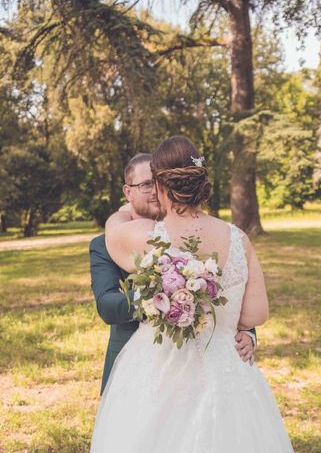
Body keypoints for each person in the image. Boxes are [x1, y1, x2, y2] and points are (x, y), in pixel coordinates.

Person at [90, 137, 294, 452]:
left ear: (159, 185)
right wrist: (237, 330)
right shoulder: (238, 239)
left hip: (159, 370)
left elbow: (111, 231)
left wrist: (121, 211)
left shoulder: (142, 236)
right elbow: (255, 315)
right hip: (226, 369)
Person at [89, 153, 257, 395]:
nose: (155, 190)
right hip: (134, 369)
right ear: (128, 192)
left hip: (202, 368)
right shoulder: (105, 243)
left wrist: (248, 333)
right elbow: (107, 305)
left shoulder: (201, 234)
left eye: (159, 180)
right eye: (146, 184)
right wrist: (159, 296)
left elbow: (233, 284)